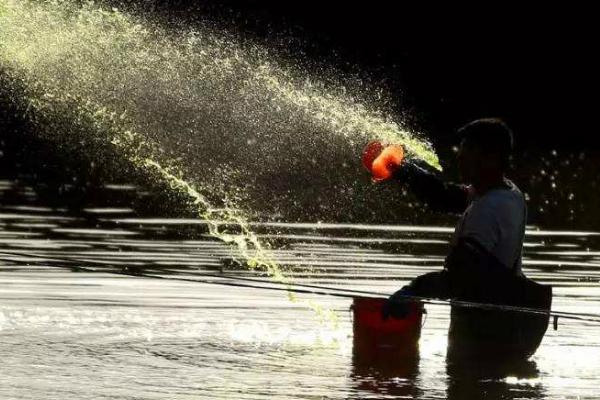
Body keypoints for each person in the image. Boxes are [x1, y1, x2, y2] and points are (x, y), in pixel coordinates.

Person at [367, 118, 551, 360]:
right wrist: (403, 170)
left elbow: (460, 279)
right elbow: (443, 197)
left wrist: (412, 291)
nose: (459, 156)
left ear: (491, 158)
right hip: (497, 338)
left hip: (484, 343)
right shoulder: (506, 192)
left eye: (468, 149)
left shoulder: (490, 209)